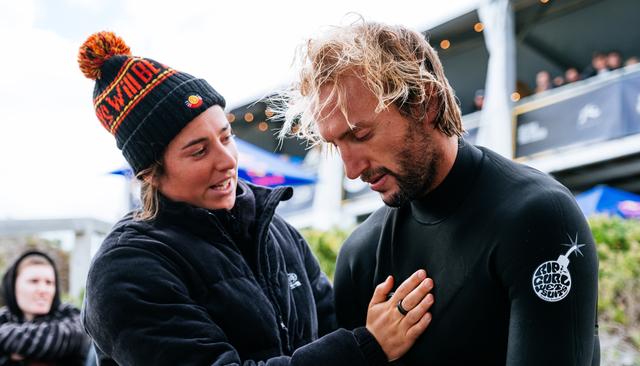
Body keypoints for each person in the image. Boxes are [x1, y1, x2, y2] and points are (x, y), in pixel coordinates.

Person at [77, 31, 434, 366]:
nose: (228, 159)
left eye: (225, 136)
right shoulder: (124, 272)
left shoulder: (276, 230)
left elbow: (332, 324)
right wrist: (365, 348)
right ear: (150, 173)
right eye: (199, 151)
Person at [277, 21, 599, 365]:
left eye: (360, 135)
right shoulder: (359, 255)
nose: (351, 170)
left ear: (424, 104)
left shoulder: (538, 218)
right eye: (335, 144)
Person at [0, 250, 89, 366]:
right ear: (12, 286)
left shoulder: (72, 316)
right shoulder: (3, 318)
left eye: (49, 282)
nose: (43, 290)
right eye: (34, 281)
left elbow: (53, 341)